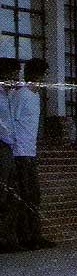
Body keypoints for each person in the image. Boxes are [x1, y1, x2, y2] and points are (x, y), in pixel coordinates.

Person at [11, 58, 54, 249]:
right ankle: (27, 237)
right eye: (43, 75)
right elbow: (11, 121)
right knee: (26, 195)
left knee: (34, 195)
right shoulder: (21, 95)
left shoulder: (35, 97)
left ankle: (34, 235)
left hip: (30, 151)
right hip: (20, 152)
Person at [0, 58, 21, 252]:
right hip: (3, 145)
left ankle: (8, 238)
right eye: (13, 75)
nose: (16, 80)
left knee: (10, 194)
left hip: (8, 147)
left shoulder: (7, 95)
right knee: (4, 194)